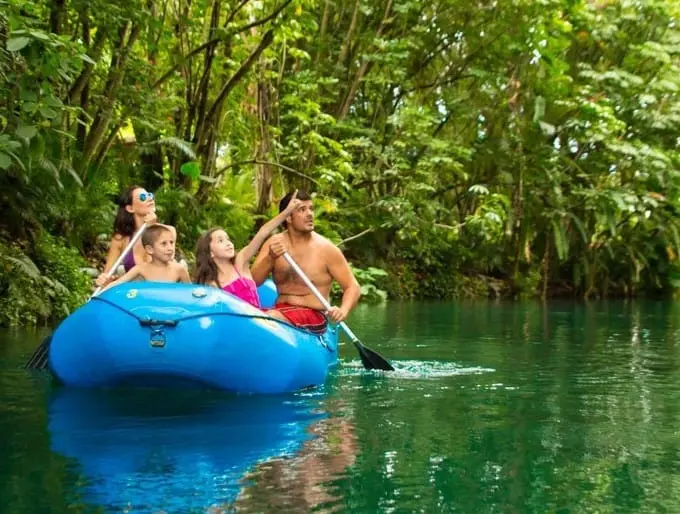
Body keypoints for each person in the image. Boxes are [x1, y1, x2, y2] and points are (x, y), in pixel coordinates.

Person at [250, 190, 361, 334]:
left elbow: (353, 286)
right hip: (281, 310)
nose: (310, 214)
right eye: (302, 210)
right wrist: (270, 258)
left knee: (269, 317)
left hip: (313, 315)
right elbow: (252, 282)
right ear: (288, 217)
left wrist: (343, 310)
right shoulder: (273, 243)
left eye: (311, 209)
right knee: (249, 317)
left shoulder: (326, 249)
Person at [193, 191, 302, 309]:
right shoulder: (211, 284)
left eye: (228, 239)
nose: (228, 243)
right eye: (220, 241)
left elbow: (263, 232)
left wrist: (286, 212)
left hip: (256, 322)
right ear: (210, 252)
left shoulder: (240, 261)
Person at [95, 185, 175, 287]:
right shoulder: (121, 238)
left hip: (159, 291)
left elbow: (162, 267)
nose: (149, 198)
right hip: (133, 295)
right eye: (143, 197)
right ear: (130, 208)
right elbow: (108, 273)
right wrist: (104, 279)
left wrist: (150, 228)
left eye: (150, 195)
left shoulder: (169, 231)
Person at [100, 224, 190, 290]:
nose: (170, 248)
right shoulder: (141, 269)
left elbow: (190, 292)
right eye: (164, 244)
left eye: (171, 242)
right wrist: (100, 294)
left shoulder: (179, 269)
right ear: (150, 249)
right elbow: (118, 283)